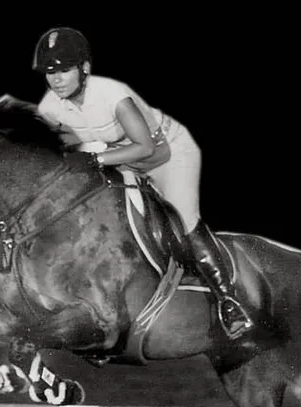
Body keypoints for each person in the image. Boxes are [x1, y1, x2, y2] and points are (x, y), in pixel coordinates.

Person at [32, 26, 255, 340]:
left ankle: (229, 301)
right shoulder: (50, 108)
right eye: (50, 71)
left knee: (183, 218)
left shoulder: (112, 94)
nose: (56, 79)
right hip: (119, 159)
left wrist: (94, 158)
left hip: (167, 154)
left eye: (64, 70)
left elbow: (148, 149)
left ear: (85, 68)